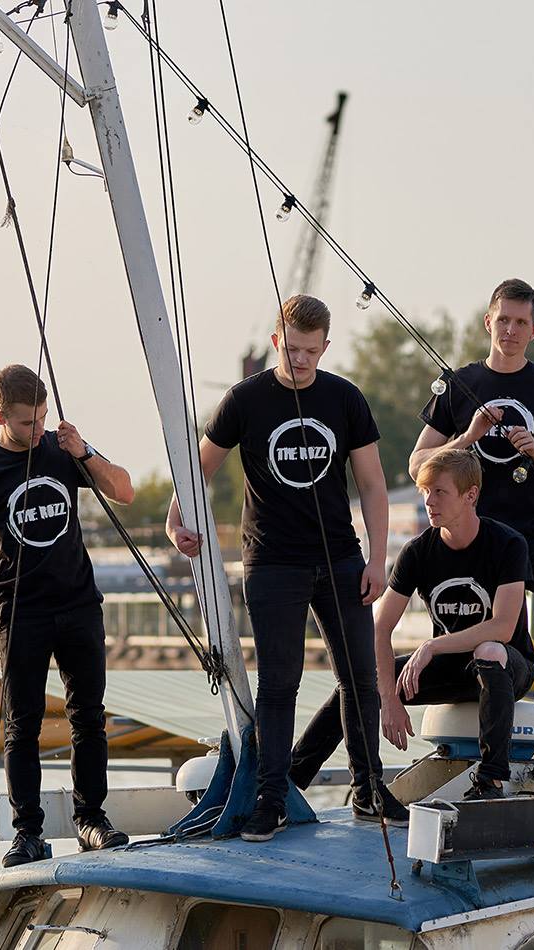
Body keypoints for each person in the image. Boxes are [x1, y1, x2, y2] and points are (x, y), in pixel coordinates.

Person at [166, 294, 408, 841]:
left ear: (326, 347)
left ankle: (368, 787)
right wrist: (174, 521)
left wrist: (377, 559)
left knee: (360, 677)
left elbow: (372, 484)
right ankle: (270, 797)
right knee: (280, 683)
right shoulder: (245, 399)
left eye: (310, 351)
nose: (300, 360)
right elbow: (198, 468)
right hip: (272, 562)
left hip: (340, 558)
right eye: (292, 349)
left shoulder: (344, 398)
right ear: (277, 341)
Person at [409, 278, 534, 759]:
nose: (510, 330)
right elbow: (417, 465)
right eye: (503, 320)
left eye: (520, 323)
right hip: (480, 546)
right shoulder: (460, 384)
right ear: (487, 323)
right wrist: (469, 436)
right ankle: (468, 743)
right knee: (491, 649)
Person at [0, 364, 136, 867]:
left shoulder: (62, 449)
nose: (38, 429)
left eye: (42, 418)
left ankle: (91, 820)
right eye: (27, 422)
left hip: (79, 604)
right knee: (23, 726)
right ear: (0, 417)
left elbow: (124, 490)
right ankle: (28, 834)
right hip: (21, 614)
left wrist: (83, 451)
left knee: (89, 717)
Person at [290, 449, 534, 799]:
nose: (429, 502)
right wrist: (389, 697)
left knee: (489, 649)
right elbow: (380, 627)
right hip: (450, 669)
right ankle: (290, 781)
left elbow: (503, 627)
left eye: (440, 492)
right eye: (425, 492)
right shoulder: (418, 551)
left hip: (508, 668)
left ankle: (490, 781)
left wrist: (431, 646)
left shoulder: (508, 544)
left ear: (471, 495)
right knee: (357, 684)